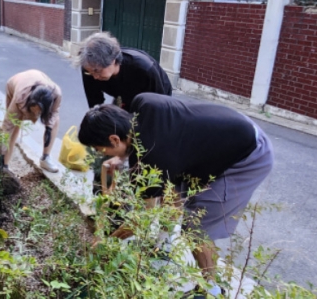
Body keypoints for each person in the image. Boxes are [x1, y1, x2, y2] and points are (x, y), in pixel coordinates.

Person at [77, 93, 274, 297]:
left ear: (114, 139)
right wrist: (122, 156)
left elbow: (141, 220)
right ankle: (164, 246)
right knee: (170, 194)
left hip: (246, 155)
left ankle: (212, 289)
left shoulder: (150, 157)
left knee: (195, 227)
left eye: (102, 150)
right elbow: (164, 183)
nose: (104, 156)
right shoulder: (142, 103)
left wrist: (108, 241)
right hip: (225, 132)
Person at [74, 32, 172, 112]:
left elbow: (160, 106)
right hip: (121, 95)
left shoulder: (144, 69)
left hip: (156, 93)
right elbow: (94, 102)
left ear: (112, 60)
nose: (94, 77)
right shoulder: (89, 68)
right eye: (90, 72)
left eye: (97, 71)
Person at [0, 70, 62, 176]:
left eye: (39, 111)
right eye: (33, 110)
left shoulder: (56, 94)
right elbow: (7, 125)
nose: (36, 114)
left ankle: (45, 158)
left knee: (55, 121)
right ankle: (4, 165)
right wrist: (1, 151)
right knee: (15, 124)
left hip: (38, 82)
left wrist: (49, 129)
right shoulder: (20, 97)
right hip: (16, 85)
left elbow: (54, 113)